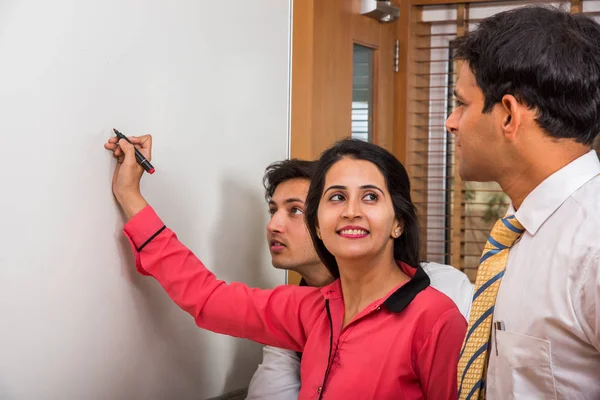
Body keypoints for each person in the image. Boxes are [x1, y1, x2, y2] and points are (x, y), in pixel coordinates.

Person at [104, 136, 467, 399]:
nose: (351, 211)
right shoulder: (309, 309)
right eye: (337, 197)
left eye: (370, 197)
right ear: (319, 223)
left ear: (398, 222)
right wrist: (130, 195)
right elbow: (205, 297)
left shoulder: (435, 318)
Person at [446, 6, 600, 399]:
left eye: (462, 103)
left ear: (509, 115)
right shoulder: (522, 229)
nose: (451, 121)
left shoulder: (593, 245)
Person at [247, 160, 474, 400]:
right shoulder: (295, 311)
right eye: (273, 211)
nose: (273, 225)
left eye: (295, 210)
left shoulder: (442, 289)